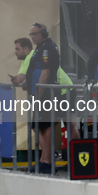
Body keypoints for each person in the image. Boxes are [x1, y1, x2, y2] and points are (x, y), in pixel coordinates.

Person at [10, 37, 80, 142]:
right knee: (46, 126)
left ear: (26, 49)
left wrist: (20, 81)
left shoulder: (31, 57)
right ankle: (51, 154)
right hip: (57, 91)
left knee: (66, 125)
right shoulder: (28, 59)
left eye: (17, 49)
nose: (15, 52)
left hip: (63, 90)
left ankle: (76, 151)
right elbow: (26, 78)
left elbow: (21, 79)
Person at [24, 23, 60, 174]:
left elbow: (45, 73)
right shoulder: (40, 47)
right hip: (40, 92)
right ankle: (44, 159)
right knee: (38, 126)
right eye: (31, 34)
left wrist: (37, 96)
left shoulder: (46, 48)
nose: (32, 37)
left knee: (44, 127)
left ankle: (47, 161)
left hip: (45, 94)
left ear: (43, 33)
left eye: (35, 34)